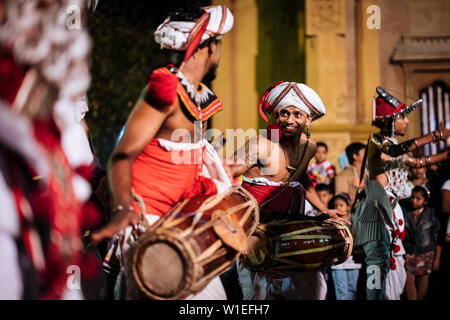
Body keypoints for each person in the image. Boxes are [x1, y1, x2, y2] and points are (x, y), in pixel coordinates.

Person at [91, 5, 235, 300]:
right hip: (150, 222)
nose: (219, 52)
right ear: (207, 46)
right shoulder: (166, 87)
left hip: (180, 219)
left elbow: (180, 156)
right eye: (218, 43)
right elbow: (121, 155)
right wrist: (121, 210)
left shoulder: (196, 96)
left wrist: (219, 169)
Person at [227, 81, 343, 300]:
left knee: (315, 290)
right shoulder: (261, 144)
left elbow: (303, 180)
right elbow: (227, 173)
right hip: (254, 232)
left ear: (309, 119)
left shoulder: (309, 147)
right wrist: (235, 227)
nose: (290, 120)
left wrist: (325, 210)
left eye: (298, 115)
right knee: (257, 297)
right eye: (285, 113)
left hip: (286, 229)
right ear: (277, 116)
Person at [351, 87, 450, 300]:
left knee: (395, 269)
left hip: (391, 210)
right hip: (378, 211)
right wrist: (432, 136)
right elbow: (395, 152)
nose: (407, 122)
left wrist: (445, 154)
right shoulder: (379, 141)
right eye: (403, 117)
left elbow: (417, 162)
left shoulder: (393, 144)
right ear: (391, 120)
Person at [403, 185, 440, 300]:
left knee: (423, 281)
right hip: (409, 252)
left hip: (426, 253)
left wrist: (437, 259)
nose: (414, 200)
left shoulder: (431, 214)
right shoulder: (406, 213)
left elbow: (437, 237)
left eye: (418, 198)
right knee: (408, 280)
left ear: (425, 201)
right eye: (413, 197)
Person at [329, 193, 362, 300]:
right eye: (335, 206)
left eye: (341, 205)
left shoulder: (355, 221)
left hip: (353, 261)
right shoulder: (332, 223)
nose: (338, 208)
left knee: (352, 290)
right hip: (338, 262)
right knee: (341, 291)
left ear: (348, 206)